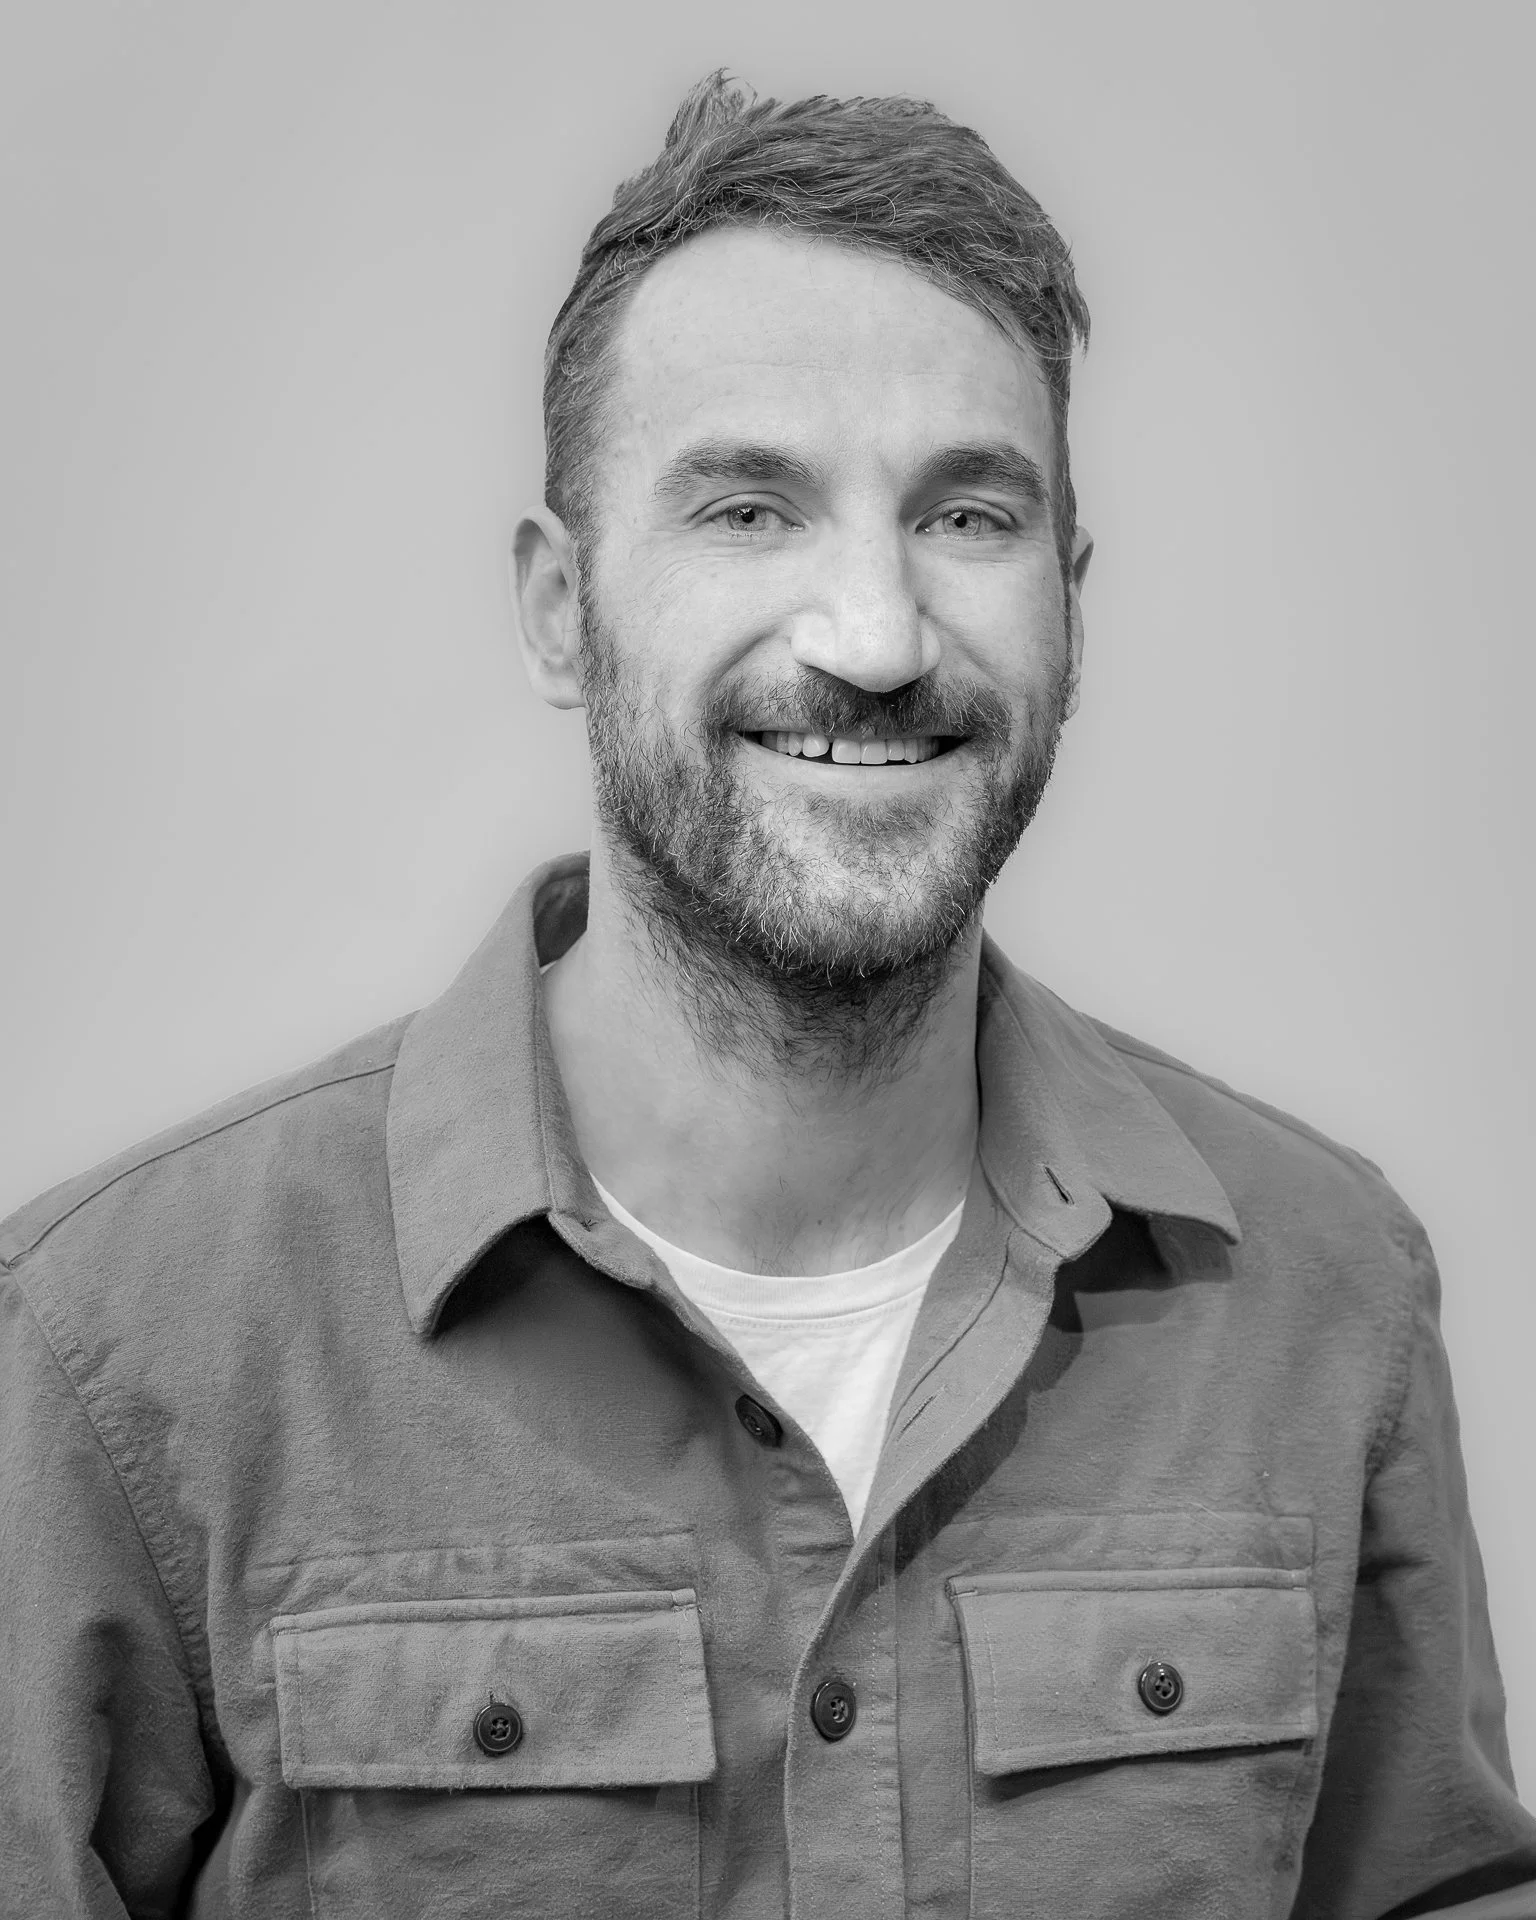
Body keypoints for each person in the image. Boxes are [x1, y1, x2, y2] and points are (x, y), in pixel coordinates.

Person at [1, 71, 1532, 1920]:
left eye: (969, 518)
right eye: (749, 510)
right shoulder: (111, 1350)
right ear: (565, 611)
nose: (875, 638)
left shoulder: (1326, 1286)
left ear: (1076, 602)